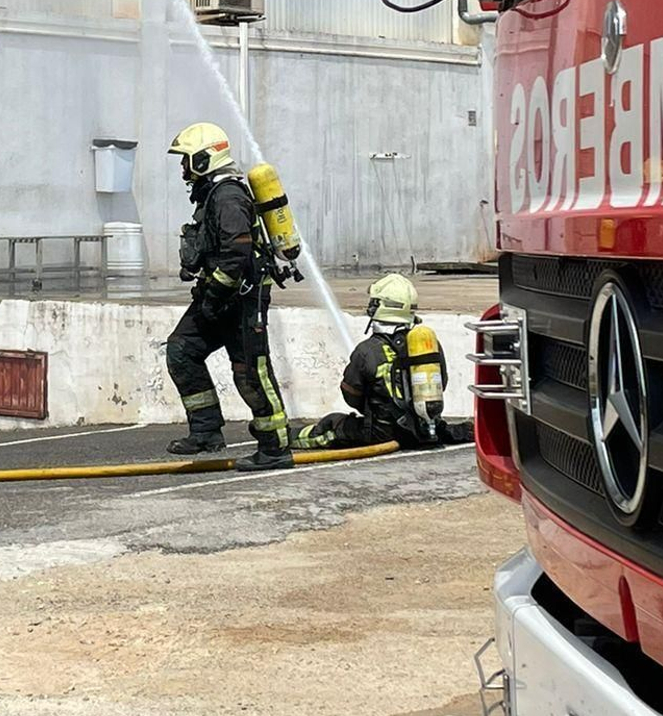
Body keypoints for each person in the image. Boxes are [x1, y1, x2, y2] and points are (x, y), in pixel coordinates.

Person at [163, 122, 292, 473]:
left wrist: (215, 295)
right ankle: (206, 432)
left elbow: (236, 254)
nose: (182, 168)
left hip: (241, 300)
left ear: (204, 160)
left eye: (186, 160)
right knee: (182, 350)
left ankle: (275, 447)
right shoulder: (213, 195)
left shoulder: (229, 197)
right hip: (218, 297)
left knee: (251, 372)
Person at [295, 273, 466, 452]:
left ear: (380, 306)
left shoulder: (367, 350)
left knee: (334, 423)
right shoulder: (428, 344)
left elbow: (351, 395)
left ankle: (289, 440)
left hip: (382, 434)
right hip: (426, 430)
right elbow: (442, 382)